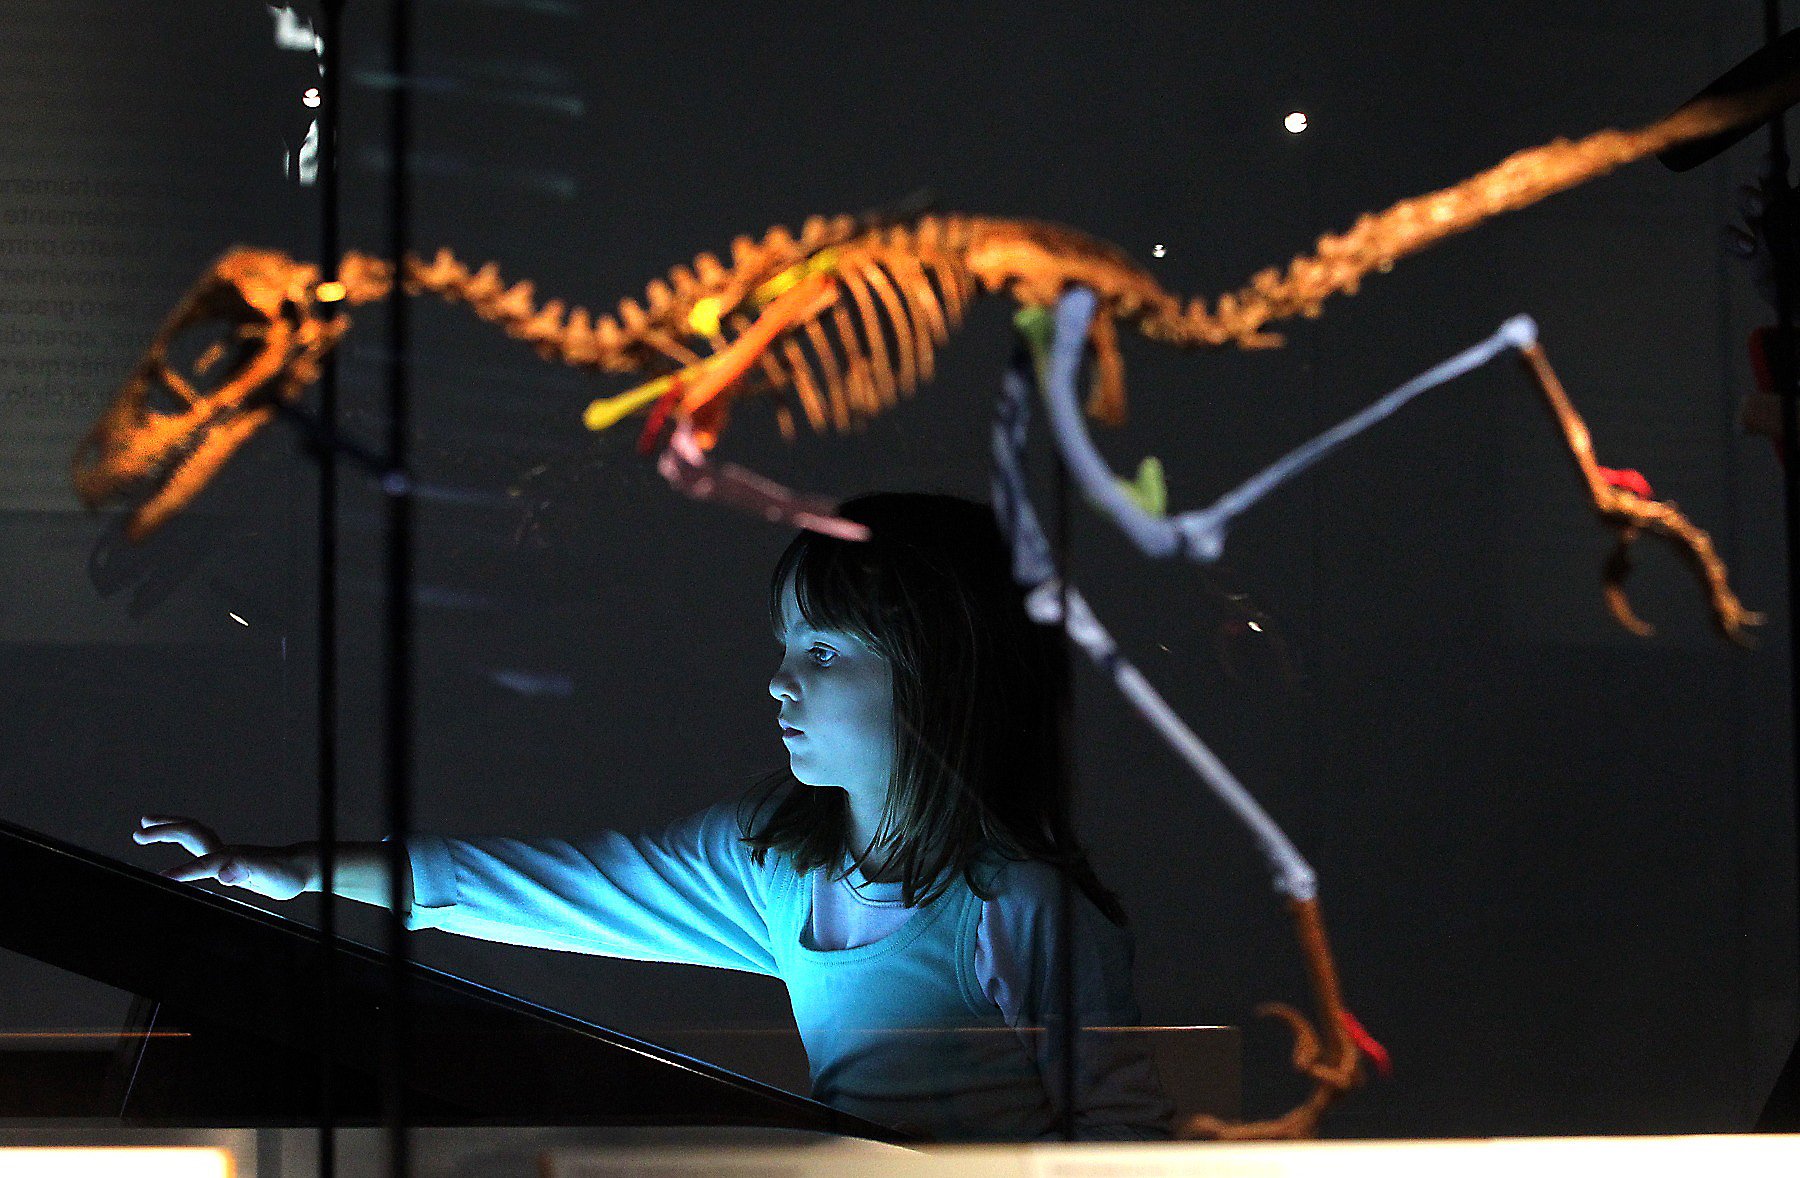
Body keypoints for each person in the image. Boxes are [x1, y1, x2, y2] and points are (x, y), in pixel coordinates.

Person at [135, 492, 1173, 1142]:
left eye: (821, 654)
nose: (780, 683)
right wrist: (295, 869)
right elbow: (543, 887)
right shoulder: (774, 867)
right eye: (785, 646)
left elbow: (1125, 1133)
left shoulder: (1018, 905)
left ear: (933, 674)